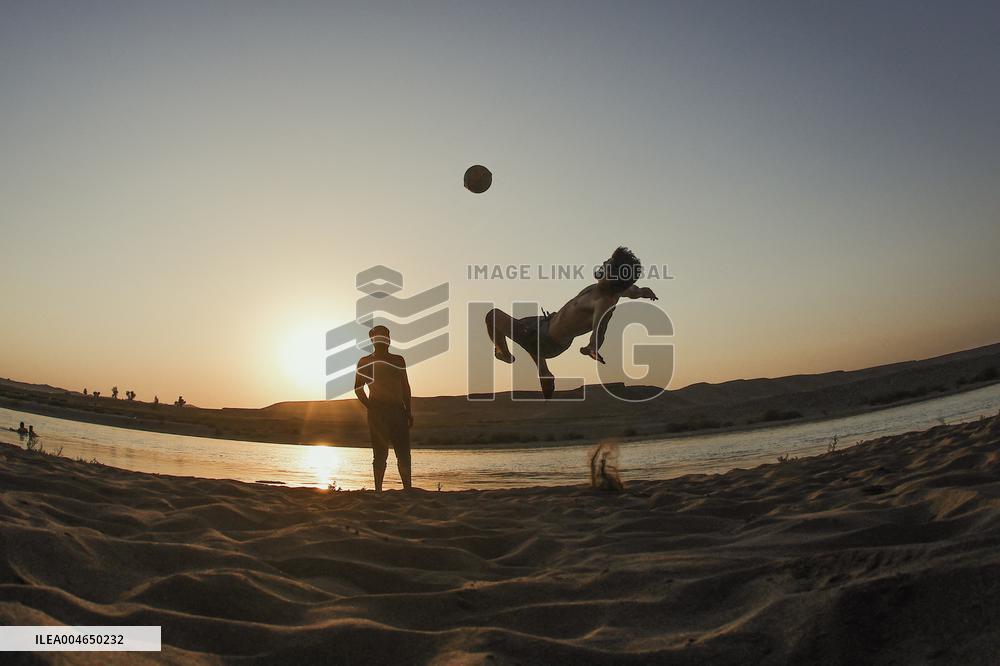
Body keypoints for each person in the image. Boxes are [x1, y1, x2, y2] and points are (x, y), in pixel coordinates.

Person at [485, 246, 659, 399]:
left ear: (612, 274)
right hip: (546, 324)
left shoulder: (603, 302)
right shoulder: (617, 290)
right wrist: (646, 292)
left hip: (547, 342)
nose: (604, 262)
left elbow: (600, 328)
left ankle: (503, 354)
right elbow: (636, 291)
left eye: (609, 262)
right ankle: (544, 372)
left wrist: (592, 347)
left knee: (493, 317)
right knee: (523, 326)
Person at [354, 325, 414, 491]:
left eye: (386, 336)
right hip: (378, 412)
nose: (384, 340)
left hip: (398, 410)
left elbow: (405, 387)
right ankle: (378, 490)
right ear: (372, 340)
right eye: (380, 337)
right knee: (380, 454)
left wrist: (408, 410)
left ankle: (407, 489)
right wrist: (370, 406)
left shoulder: (398, 360)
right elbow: (358, 388)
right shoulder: (365, 361)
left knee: (403, 453)